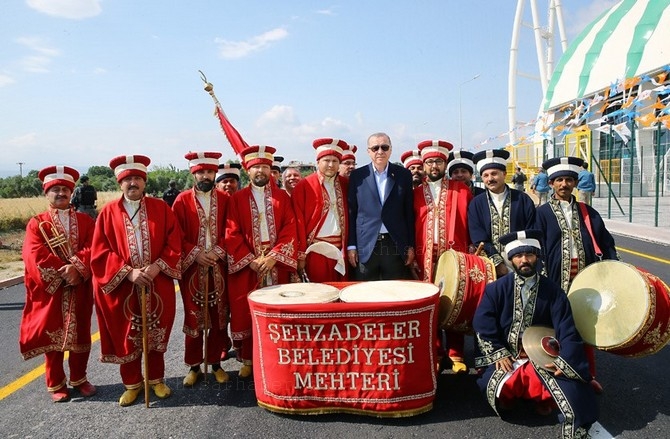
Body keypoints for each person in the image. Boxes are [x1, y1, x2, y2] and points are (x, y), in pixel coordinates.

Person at [473, 229, 598, 439]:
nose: (524, 260)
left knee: (565, 388)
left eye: (529, 255)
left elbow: (567, 329)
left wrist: (564, 361)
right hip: (509, 354)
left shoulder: (553, 292)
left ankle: (541, 401)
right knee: (494, 385)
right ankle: (512, 398)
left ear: (537, 257)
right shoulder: (496, 289)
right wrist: (498, 352)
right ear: (511, 259)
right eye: (518, 256)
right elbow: (482, 323)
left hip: (541, 355)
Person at [91, 154, 182, 407]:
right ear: (120, 183)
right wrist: (128, 272)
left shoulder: (161, 208)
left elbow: (173, 241)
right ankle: (132, 384)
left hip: (157, 281)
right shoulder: (108, 212)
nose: (133, 183)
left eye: (137, 179)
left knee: (156, 332)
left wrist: (157, 267)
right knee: (128, 334)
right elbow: (100, 251)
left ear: (145, 182)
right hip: (124, 286)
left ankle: (156, 380)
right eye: (128, 179)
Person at [535, 157, 618, 394]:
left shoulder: (588, 213)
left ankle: (586, 374)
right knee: (553, 327)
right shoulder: (541, 214)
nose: (564, 184)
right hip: (554, 279)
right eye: (559, 180)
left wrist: (613, 269)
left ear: (575, 183)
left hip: (585, 278)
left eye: (569, 180)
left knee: (583, 325)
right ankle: (550, 378)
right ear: (551, 183)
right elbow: (536, 247)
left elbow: (606, 242)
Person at [20, 166, 97, 402]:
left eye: (65, 189)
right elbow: (34, 254)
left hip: (80, 287)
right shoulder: (36, 223)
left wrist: (77, 269)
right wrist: (63, 272)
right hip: (51, 291)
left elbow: (93, 247)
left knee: (81, 334)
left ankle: (79, 379)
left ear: (71, 192)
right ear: (47, 193)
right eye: (56, 190)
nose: (61, 193)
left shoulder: (85, 220)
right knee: (53, 337)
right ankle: (55, 383)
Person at [225, 145, 298, 378]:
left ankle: (280, 354)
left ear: (271, 170)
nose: (261, 171)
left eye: (265, 167)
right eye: (256, 167)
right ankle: (248, 359)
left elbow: (290, 228)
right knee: (247, 311)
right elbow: (231, 232)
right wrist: (251, 260)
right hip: (250, 265)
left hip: (275, 262)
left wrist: (275, 256)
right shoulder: (237, 199)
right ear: (248, 170)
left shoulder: (282, 197)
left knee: (279, 309)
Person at [412, 140, 473, 374]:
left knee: (456, 299)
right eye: (429, 162)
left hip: (455, 253)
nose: (434, 166)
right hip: (425, 254)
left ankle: (456, 353)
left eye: (438, 161)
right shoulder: (416, 193)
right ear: (423, 165)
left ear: (444, 163)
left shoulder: (461, 190)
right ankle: (436, 351)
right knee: (431, 301)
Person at [172, 152, 230, 387]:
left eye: (209, 172)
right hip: (193, 267)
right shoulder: (182, 200)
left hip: (218, 264)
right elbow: (175, 234)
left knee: (219, 316)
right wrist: (196, 253)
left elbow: (232, 230)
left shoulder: (226, 199)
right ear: (193, 174)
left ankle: (216, 363)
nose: (205, 176)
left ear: (214, 173)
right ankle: (194, 366)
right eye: (200, 173)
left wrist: (217, 251)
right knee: (194, 318)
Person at [347, 132, 415, 280]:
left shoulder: (403, 175)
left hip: (394, 244)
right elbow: (352, 213)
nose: (380, 152)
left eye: (384, 147)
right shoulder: (357, 176)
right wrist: (351, 245)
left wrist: (410, 245)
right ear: (368, 151)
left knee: (393, 292)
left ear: (390, 150)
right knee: (364, 293)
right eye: (375, 148)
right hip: (365, 245)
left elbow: (408, 212)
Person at [468, 149, 536, 278]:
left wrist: (521, 258)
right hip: (490, 265)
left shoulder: (522, 199)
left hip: (522, 261)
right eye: (486, 175)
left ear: (504, 174)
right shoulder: (476, 203)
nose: (490, 179)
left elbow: (531, 228)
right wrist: (498, 263)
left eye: (494, 174)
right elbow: (478, 236)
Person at [292, 138, 349, 282]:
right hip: (315, 252)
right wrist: (300, 254)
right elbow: (297, 221)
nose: (331, 165)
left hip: (342, 250)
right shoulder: (304, 186)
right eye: (326, 160)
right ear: (318, 162)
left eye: (335, 161)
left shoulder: (345, 184)